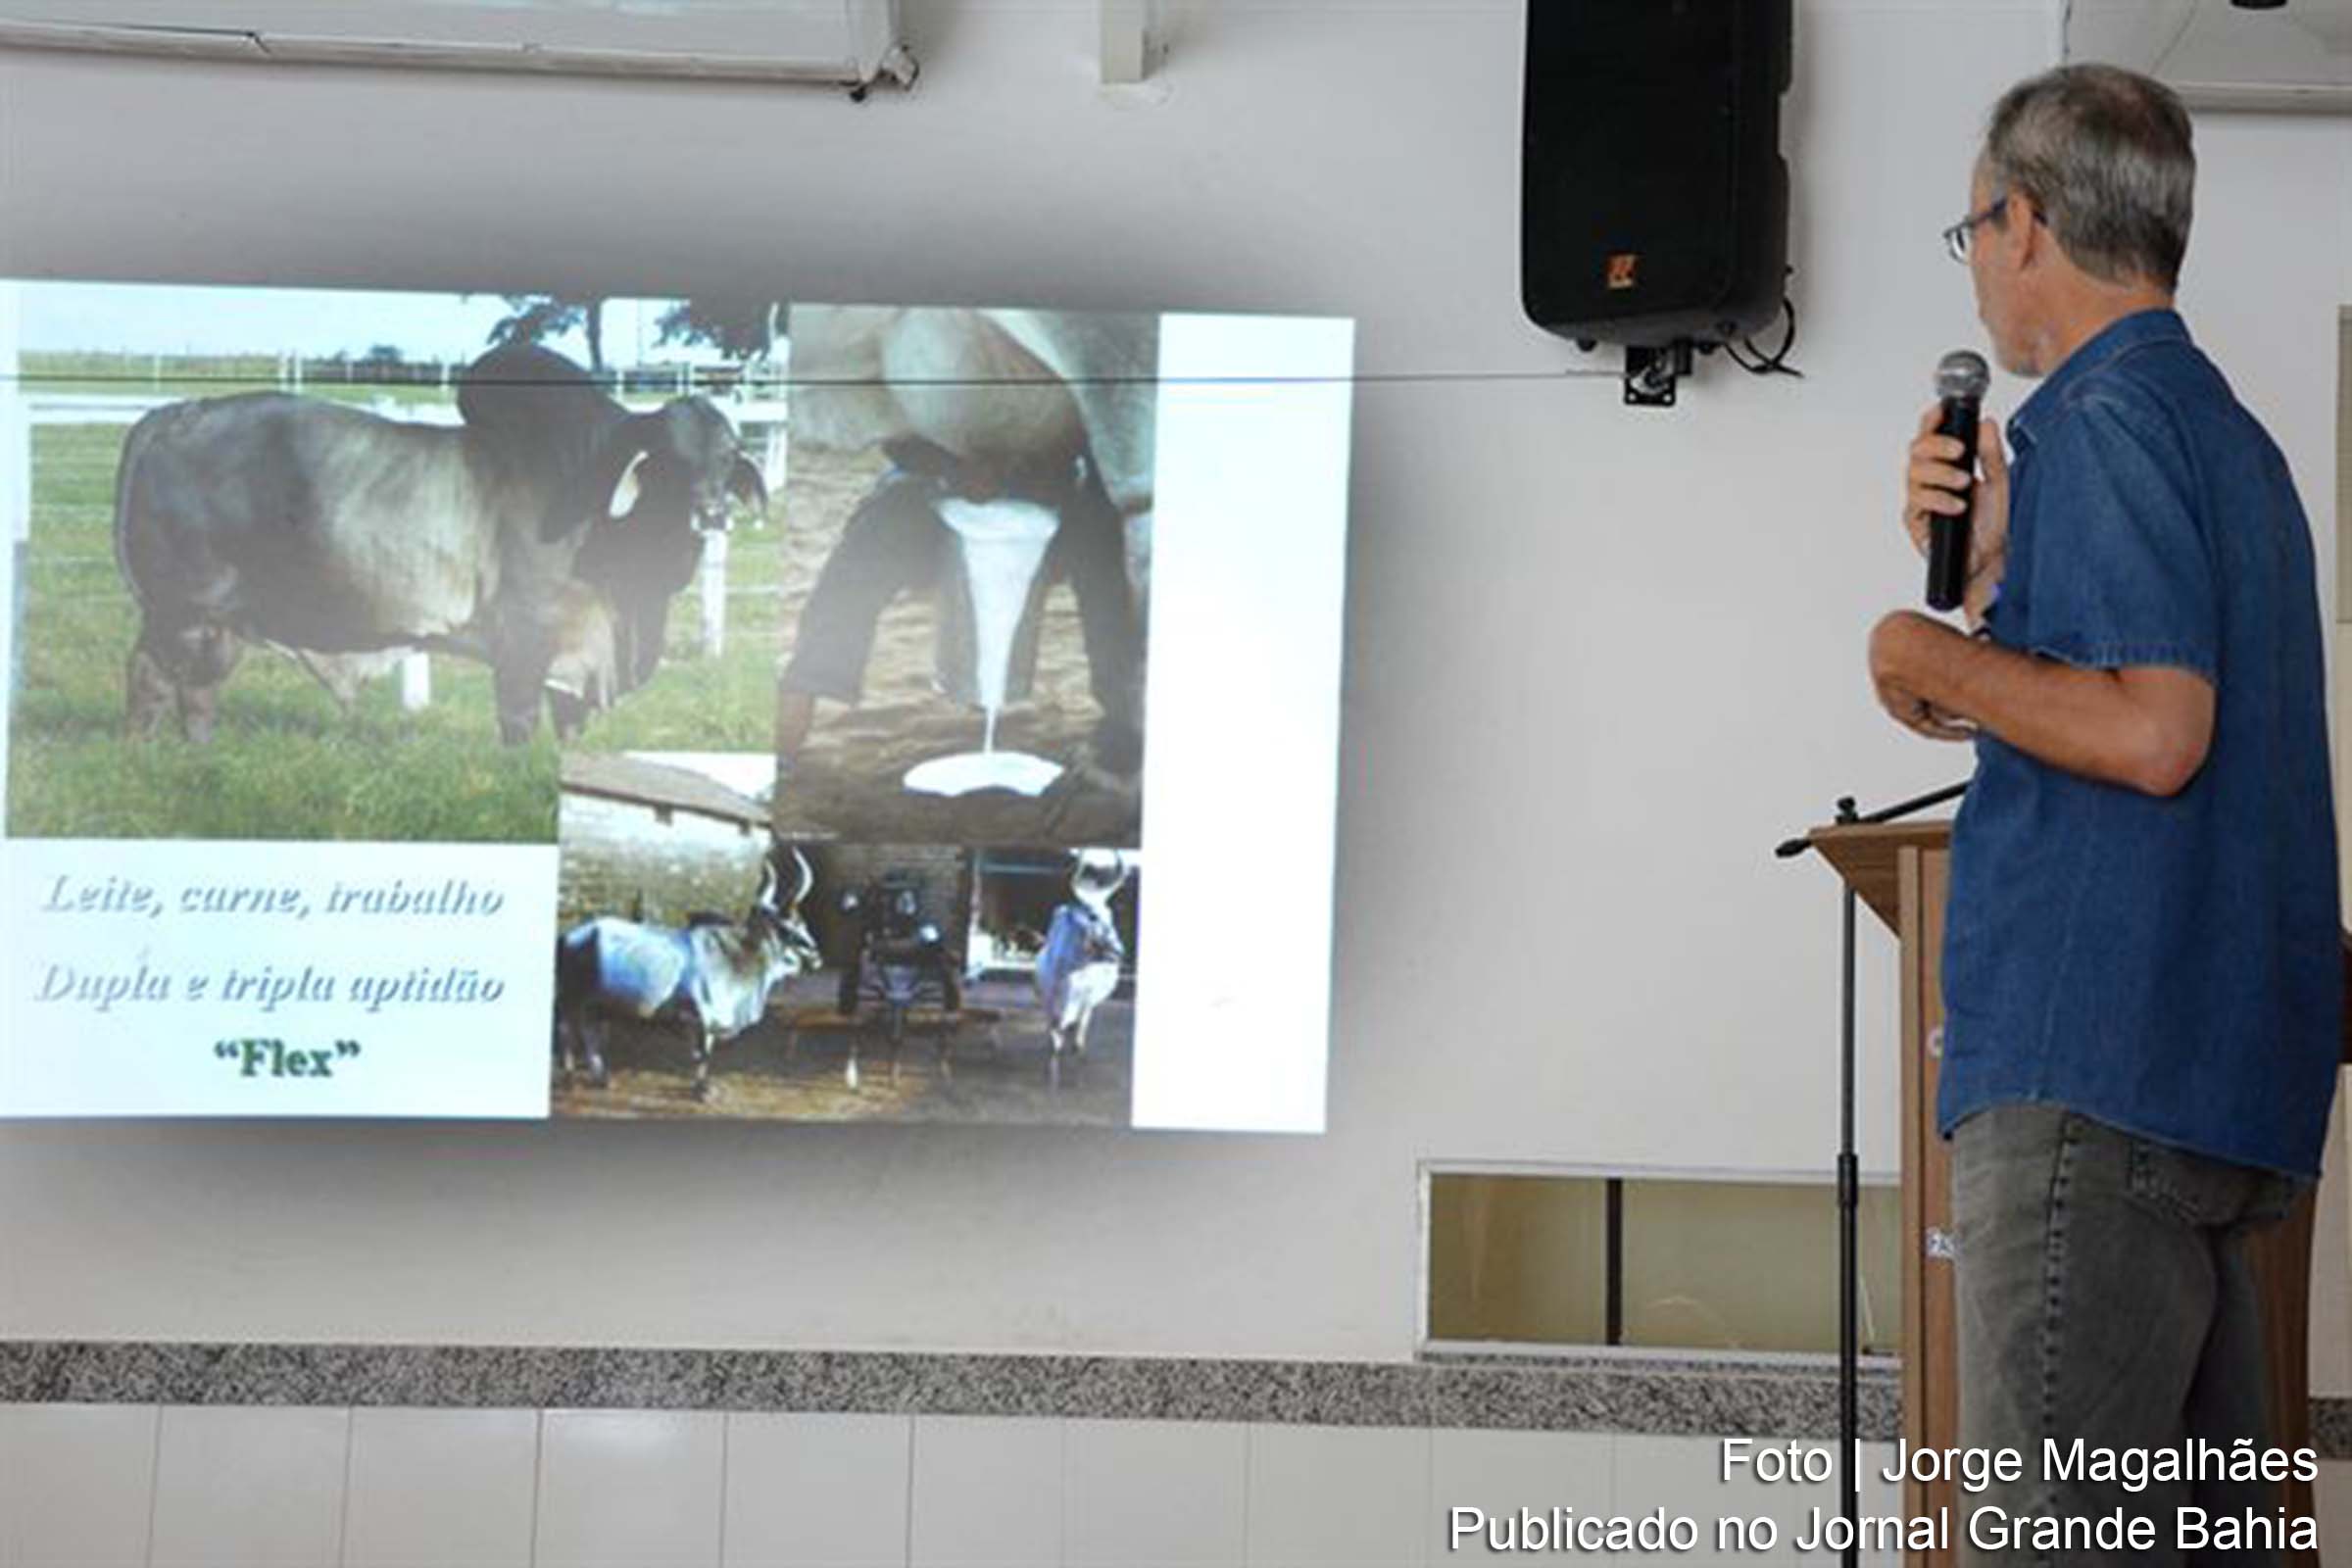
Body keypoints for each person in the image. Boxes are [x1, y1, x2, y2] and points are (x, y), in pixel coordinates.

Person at [1869, 64, 2338, 1562]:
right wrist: (2000, 575)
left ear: (2025, 222)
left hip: (2091, 1096)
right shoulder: (2234, 446)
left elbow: (2155, 731)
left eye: (1973, 231)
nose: (1984, 267)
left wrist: (1929, 651)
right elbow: (2158, 696)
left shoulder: (2105, 419)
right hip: (2209, 1100)